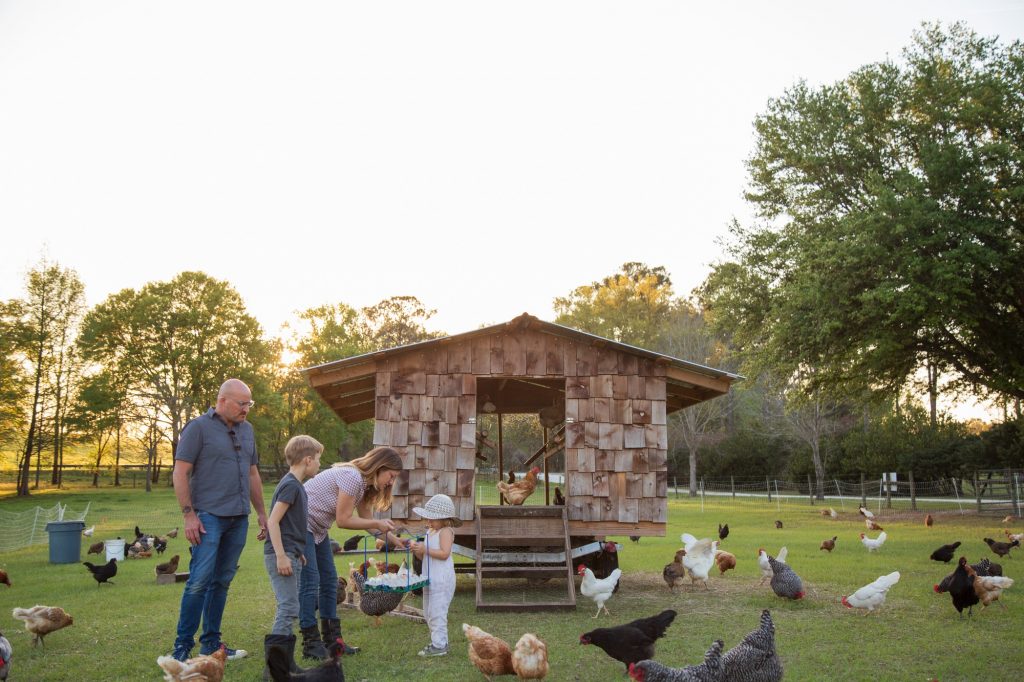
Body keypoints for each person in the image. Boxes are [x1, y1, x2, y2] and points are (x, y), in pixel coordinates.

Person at [169, 378, 268, 663]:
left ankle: (211, 645)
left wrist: (261, 512)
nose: (246, 409)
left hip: (238, 518)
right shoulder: (198, 428)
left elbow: (252, 475)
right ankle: (181, 648)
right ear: (222, 401)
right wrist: (189, 514)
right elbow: (180, 472)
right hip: (207, 517)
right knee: (199, 581)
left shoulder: (247, 431)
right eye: (242, 403)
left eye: (249, 404)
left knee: (222, 582)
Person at [299, 446, 404, 659]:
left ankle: (333, 643)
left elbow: (370, 526)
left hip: (317, 529)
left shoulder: (365, 486)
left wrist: (398, 542)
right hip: (300, 524)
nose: (391, 482)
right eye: (391, 476)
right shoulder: (352, 476)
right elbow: (344, 520)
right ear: (379, 466)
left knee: (329, 582)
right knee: (310, 583)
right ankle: (310, 645)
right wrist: (377, 521)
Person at [262, 435, 323, 677]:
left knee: (291, 607)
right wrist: (281, 555)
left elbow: (290, 524)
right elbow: (273, 521)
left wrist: (297, 553)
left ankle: (285, 664)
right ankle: (274, 670)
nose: (320, 464)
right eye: (318, 459)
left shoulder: (296, 485)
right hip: (281, 553)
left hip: (292, 553)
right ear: (307, 460)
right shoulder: (290, 485)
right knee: (287, 607)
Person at [411, 493, 459, 657]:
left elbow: (444, 553)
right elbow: (424, 556)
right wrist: (418, 551)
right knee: (428, 612)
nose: (428, 522)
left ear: (445, 519)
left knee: (437, 612)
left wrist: (425, 549)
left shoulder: (446, 531)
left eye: (432, 519)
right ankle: (438, 641)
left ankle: (439, 645)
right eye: (428, 518)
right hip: (429, 579)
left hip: (442, 580)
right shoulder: (430, 532)